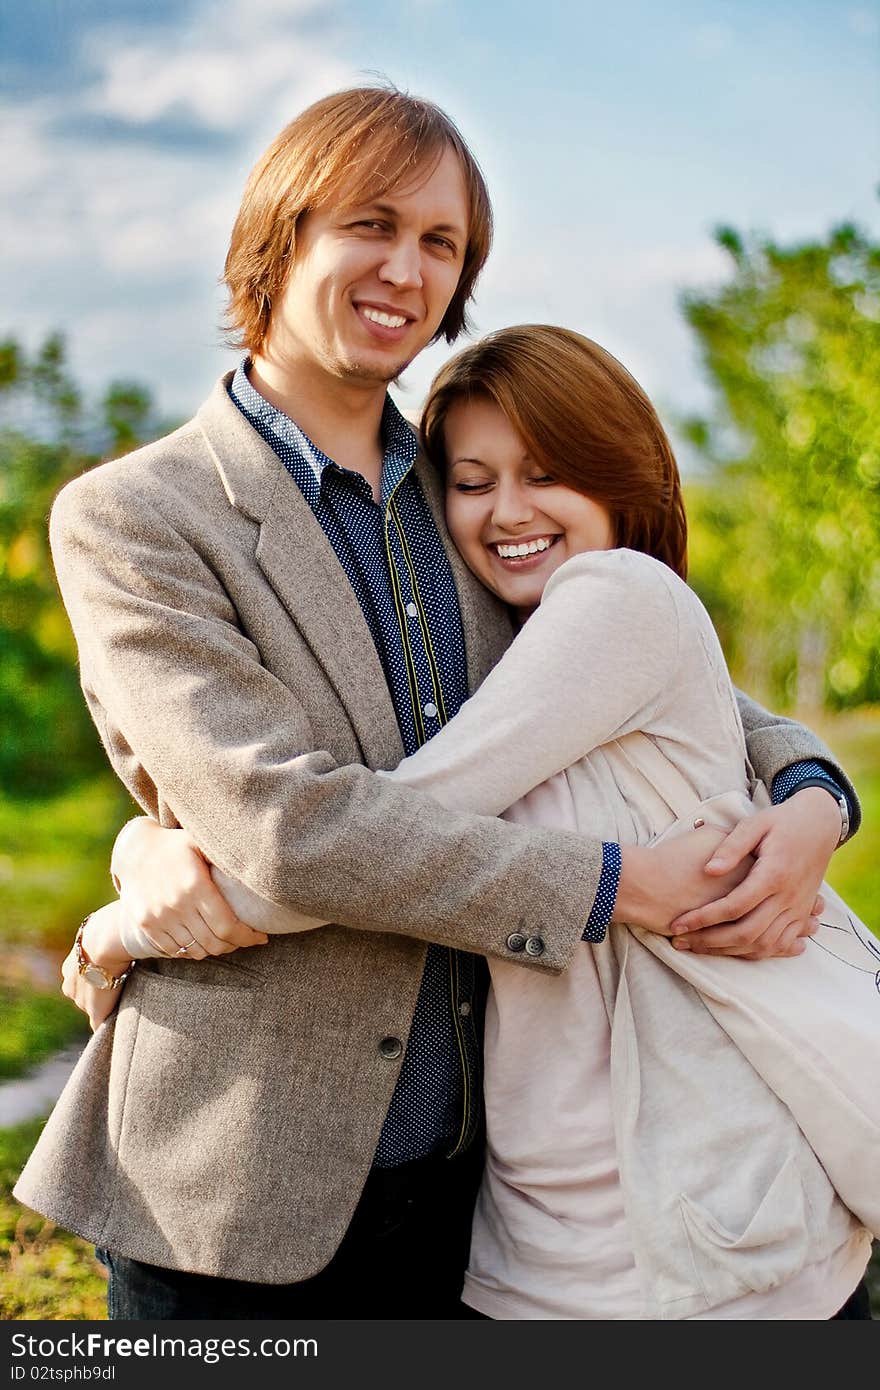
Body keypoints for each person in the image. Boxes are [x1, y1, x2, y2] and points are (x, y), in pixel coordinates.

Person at [14, 87, 860, 1321]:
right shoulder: (136, 517)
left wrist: (812, 796)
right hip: (236, 1175)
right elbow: (284, 825)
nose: (406, 268)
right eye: (371, 223)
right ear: (279, 235)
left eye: (442, 243)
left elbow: (656, 674)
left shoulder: (472, 495)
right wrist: (613, 882)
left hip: (469, 1181)